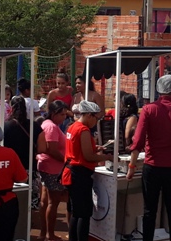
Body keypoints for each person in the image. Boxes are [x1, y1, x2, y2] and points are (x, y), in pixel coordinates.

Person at [127, 76, 171, 241]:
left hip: (152, 166)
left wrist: (131, 167)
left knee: (149, 210)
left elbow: (138, 141)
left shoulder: (148, 110)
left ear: (158, 90)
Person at [63, 101, 113, 241]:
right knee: (84, 214)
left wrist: (96, 148)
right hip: (79, 174)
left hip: (72, 172)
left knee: (76, 212)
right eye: (96, 118)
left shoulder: (72, 127)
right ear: (89, 115)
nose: (96, 122)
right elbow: (88, 156)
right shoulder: (83, 130)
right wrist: (107, 157)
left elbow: (79, 149)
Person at [35, 101, 69, 241]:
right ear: (54, 113)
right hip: (53, 169)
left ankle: (44, 233)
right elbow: (52, 150)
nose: (64, 117)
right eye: (62, 114)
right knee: (52, 202)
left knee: (46, 202)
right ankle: (49, 234)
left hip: (47, 167)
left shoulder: (48, 124)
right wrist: (66, 161)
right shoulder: (51, 127)